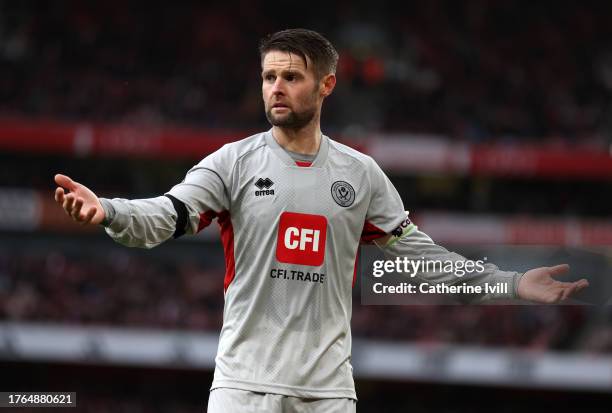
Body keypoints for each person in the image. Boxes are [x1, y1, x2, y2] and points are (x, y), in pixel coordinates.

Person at [54, 28, 589, 413]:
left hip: (328, 394)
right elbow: (168, 215)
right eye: (268, 77)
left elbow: (425, 264)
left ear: (327, 85)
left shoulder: (361, 175)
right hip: (244, 389)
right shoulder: (232, 163)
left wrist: (515, 283)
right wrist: (110, 212)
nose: (276, 88)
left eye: (291, 76)